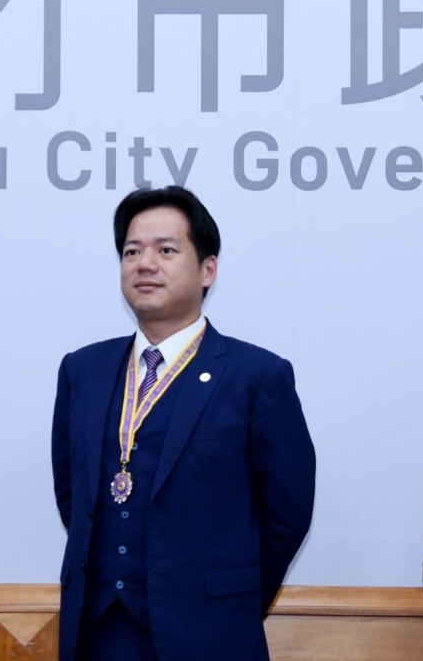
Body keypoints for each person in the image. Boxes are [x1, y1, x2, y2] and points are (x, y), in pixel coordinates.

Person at [51, 186, 316, 661]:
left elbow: (287, 512)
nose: (144, 264)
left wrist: (228, 600)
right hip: (98, 633)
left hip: (210, 634)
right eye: (132, 252)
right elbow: (71, 493)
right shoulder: (82, 370)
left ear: (208, 270)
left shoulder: (257, 376)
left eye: (166, 250)